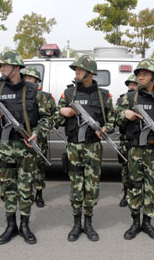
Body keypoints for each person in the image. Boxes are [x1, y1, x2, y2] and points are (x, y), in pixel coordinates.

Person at [0, 50, 52, 245]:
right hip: (5, 146)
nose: (1, 69)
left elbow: (48, 118)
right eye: (0, 66)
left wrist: (37, 132)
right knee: (7, 188)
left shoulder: (33, 90)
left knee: (25, 188)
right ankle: (10, 225)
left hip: (26, 146)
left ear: (16, 67)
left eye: (4, 66)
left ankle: (24, 225)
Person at [116, 59, 154, 241]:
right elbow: (114, 120)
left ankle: (148, 222)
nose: (140, 77)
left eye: (145, 74)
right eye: (139, 74)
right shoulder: (128, 98)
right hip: (135, 148)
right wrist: (124, 114)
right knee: (135, 186)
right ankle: (135, 222)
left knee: (151, 187)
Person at [57, 55, 115, 242]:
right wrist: (61, 111)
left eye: (80, 70)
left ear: (90, 73)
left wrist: (106, 128)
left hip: (93, 147)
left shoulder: (104, 95)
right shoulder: (68, 94)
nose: (77, 72)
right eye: (76, 70)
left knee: (91, 186)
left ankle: (88, 222)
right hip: (74, 146)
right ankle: (76, 223)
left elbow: (113, 119)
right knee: (76, 185)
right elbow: (54, 119)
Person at [22, 66, 57, 208]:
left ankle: (39, 194)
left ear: (37, 81)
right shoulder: (21, 95)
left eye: (30, 78)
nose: (27, 81)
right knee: (25, 167)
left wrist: (51, 124)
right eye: (26, 78)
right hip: (23, 137)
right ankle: (26, 193)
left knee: (38, 167)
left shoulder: (46, 96)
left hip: (39, 137)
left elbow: (53, 114)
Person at [116, 74, 138, 207]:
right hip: (126, 140)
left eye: (134, 84)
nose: (131, 86)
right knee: (125, 170)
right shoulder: (121, 100)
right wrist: (126, 114)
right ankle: (125, 194)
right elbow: (117, 119)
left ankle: (135, 196)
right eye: (130, 84)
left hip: (139, 142)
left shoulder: (143, 100)